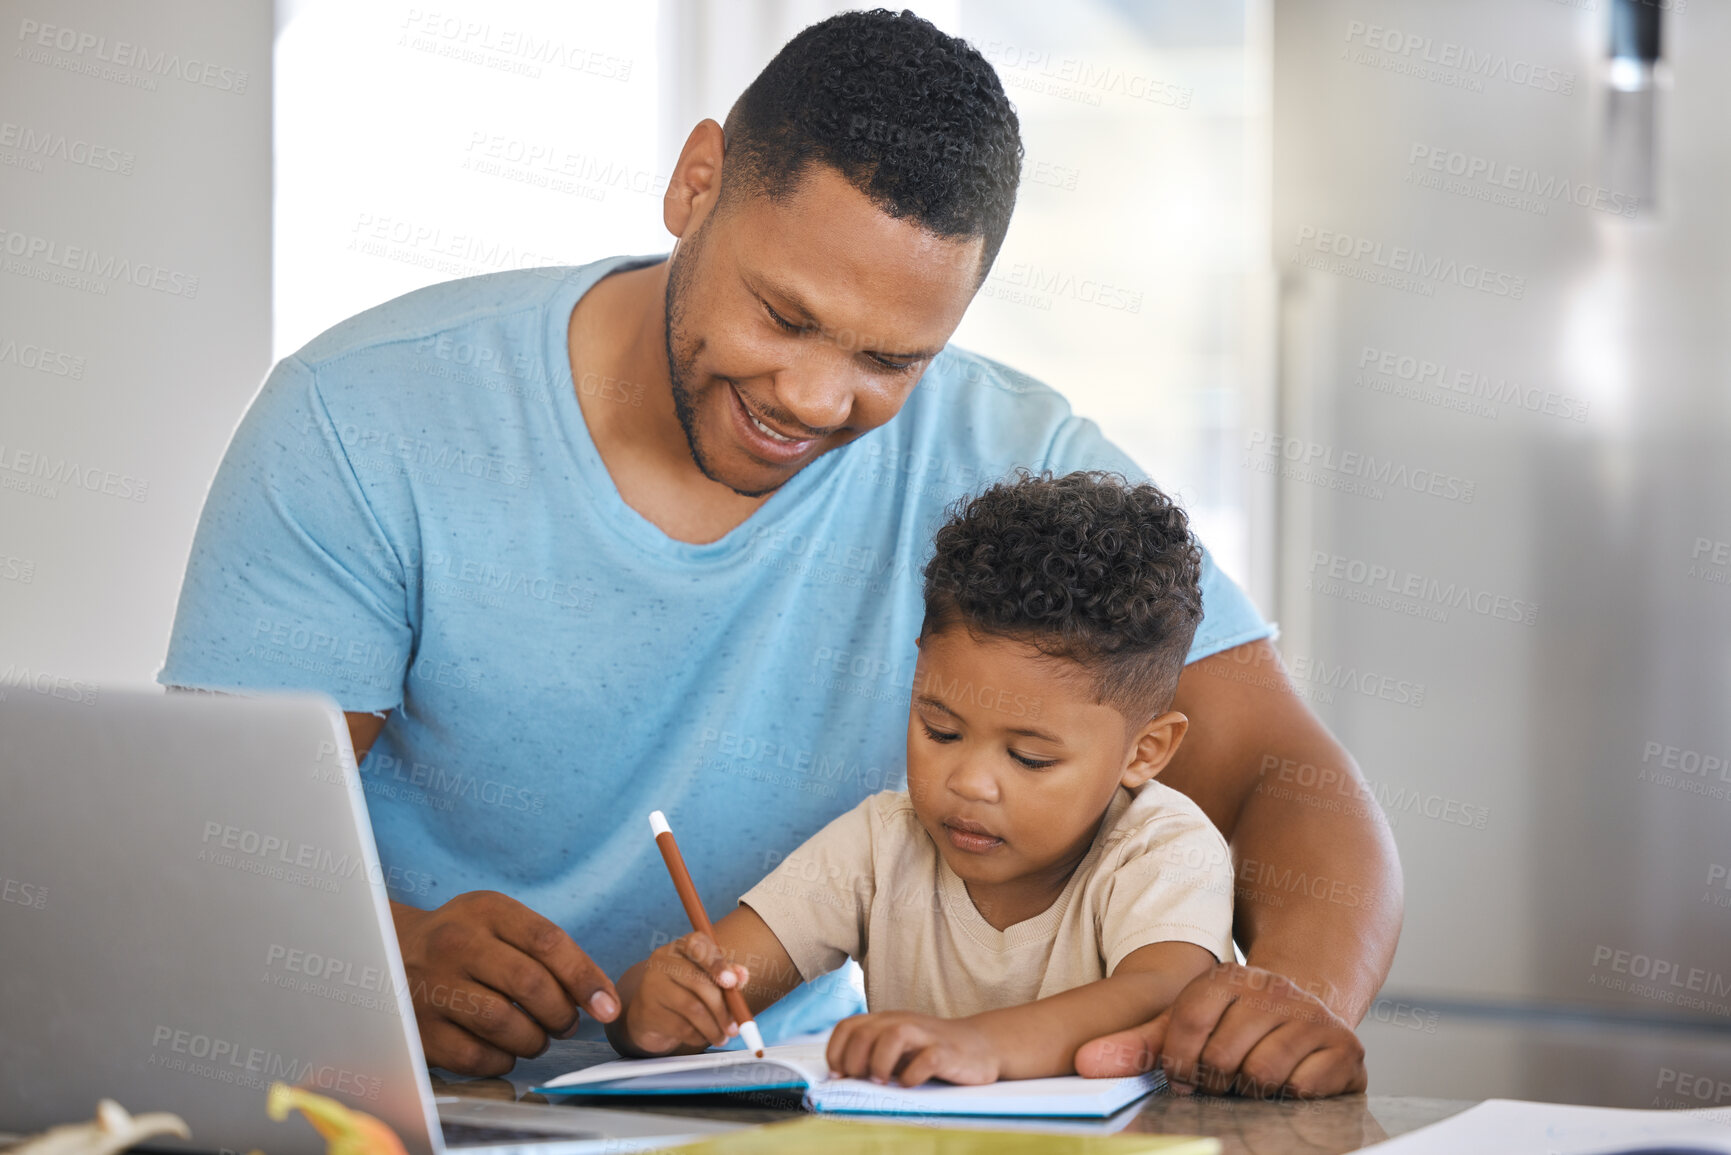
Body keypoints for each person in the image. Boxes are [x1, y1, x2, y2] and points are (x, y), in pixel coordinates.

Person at [159, 9, 1396, 1097]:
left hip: (800, 1116)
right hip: (405, 1112)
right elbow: (206, 841)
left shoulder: (1011, 452)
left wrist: (1295, 1002)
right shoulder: (365, 416)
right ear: (696, 182)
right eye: (784, 314)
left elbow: (1294, 777)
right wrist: (378, 953)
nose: (812, 396)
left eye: (889, 360)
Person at [610, 471, 1249, 1087]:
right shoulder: (881, 843)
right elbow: (723, 972)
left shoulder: (1162, 847)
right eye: (940, 730)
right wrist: (657, 1005)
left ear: (1145, 751)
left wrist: (982, 1043)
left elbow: (1164, 993)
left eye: (1029, 758)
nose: (969, 783)